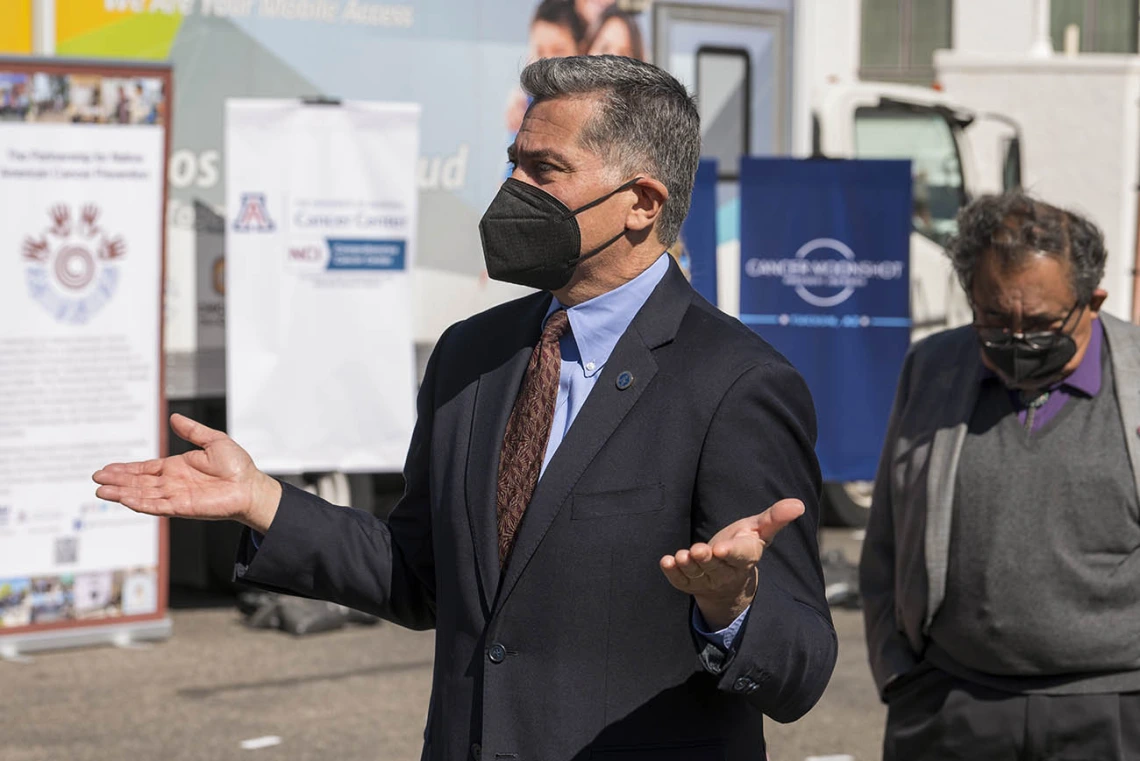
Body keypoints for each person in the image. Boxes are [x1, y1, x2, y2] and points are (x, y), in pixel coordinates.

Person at [94, 55, 836, 760]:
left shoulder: (736, 382)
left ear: (642, 202)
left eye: (544, 169)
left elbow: (800, 664)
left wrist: (732, 607)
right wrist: (263, 503)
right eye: (514, 161)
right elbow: (420, 575)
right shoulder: (472, 355)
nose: (513, 186)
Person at [860, 192, 1140, 760]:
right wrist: (897, 674)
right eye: (993, 320)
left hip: (1115, 708)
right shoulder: (932, 367)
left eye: (1039, 324)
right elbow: (888, 538)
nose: (1015, 341)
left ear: (1092, 301)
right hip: (953, 704)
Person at [505, 0, 587, 135]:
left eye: (558, 51)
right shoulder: (523, 109)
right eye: (539, 51)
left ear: (582, 51)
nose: (546, 63)